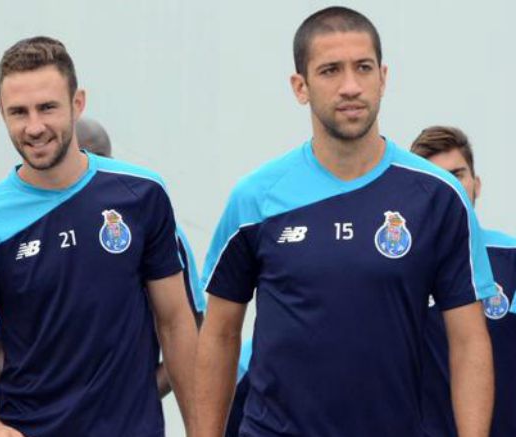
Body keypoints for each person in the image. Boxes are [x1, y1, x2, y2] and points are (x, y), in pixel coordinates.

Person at [194, 7, 496, 437]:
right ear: (300, 87)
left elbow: (468, 342)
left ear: (383, 78)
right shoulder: (255, 198)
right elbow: (220, 334)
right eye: (330, 70)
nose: (350, 86)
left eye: (363, 68)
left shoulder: (437, 198)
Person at [0, 37, 197, 437]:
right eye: (18, 112)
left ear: (77, 103)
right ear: (1, 112)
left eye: (47, 107)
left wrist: (201, 430)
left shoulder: (142, 194)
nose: (34, 127)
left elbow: (176, 323)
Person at [76, 117, 206, 398]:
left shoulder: (153, 225)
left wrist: (141, 394)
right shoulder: (27, 229)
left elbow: (192, 324)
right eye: (83, 158)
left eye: (102, 159)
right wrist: (43, 395)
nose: (96, 170)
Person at [412, 126, 516, 437]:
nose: (449, 187)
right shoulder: (392, 270)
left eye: (457, 174)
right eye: (435, 176)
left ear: (477, 184)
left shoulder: (511, 258)